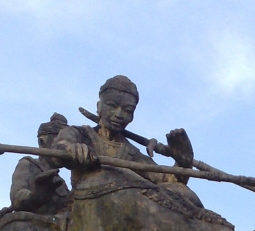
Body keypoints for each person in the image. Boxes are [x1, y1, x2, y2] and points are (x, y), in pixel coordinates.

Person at [54, 74, 198, 195]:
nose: (118, 115)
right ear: (99, 107)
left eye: (127, 110)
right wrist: (72, 150)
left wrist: (184, 162)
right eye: (111, 106)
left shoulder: (131, 153)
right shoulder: (80, 134)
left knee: (181, 192)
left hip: (129, 209)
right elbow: (58, 151)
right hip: (88, 206)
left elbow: (169, 180)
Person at [9, 113, 70, 213]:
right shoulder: (28, 164)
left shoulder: (61, 182)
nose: (64, 149)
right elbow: (17, 197)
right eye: (58, 144)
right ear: (42, 143)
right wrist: (35, 197)